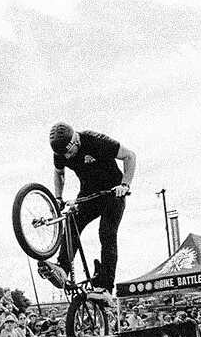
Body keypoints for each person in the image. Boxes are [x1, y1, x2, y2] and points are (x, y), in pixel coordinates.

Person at [39, 122, 137, 304]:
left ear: (75, 140)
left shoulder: (95, 140)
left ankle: (106, 287)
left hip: (112, 193)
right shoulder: (60, 151)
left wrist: (125, 185)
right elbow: (59, 173)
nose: (68, 157)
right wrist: (58, 197)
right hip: (89, 195)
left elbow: (129, 156)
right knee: (72, 223)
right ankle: (63, 268)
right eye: (64, 155)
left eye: (70, 152)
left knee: (106, 232)